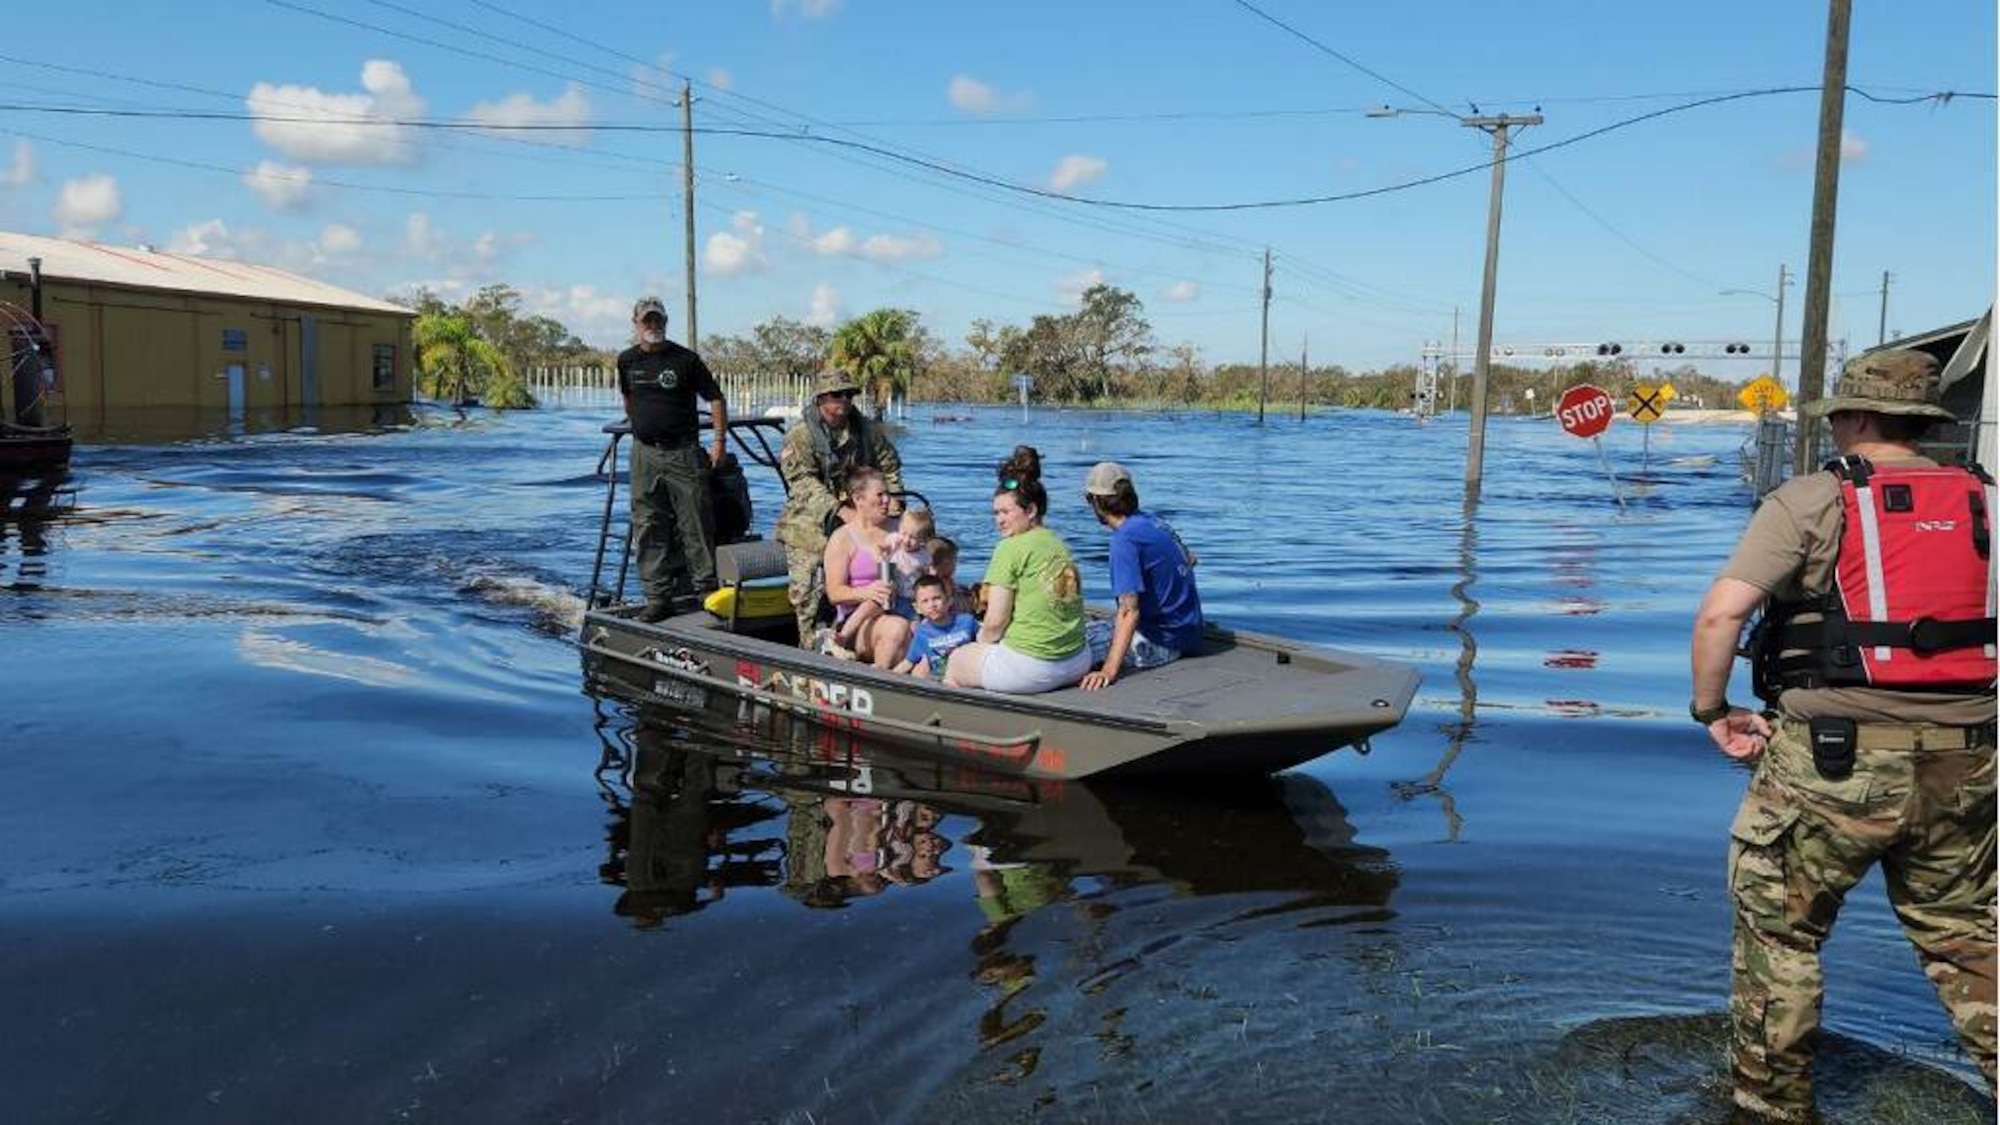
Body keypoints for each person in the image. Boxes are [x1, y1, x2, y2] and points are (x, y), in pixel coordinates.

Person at [1688, 348, 1995, 1123]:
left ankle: (1771, 1106)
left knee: (1780, 937)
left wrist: (1712, 710)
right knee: (1967, 937)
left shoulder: (1813, 499)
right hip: (1969, 762)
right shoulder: (1987, 501)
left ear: (1855, 418)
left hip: (1829, 761)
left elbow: (1722, 614)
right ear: (1922, 420)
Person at [944, 447, 1092, 694]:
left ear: (1031, 510)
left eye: (1005, 512)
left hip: (1034, 668)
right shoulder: (1057, 543)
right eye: (996, 513)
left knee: (957, 661)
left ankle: (962, 720)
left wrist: (977, 644)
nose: (999, 520)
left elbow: (995, 623)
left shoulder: (1009, 548)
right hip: (1077, 660)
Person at [617, 296, 727, 623]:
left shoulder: (686, 360)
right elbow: (628, 399)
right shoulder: (626, 361)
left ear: (665, 322)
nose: (653, 326)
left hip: (684, 452)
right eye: (647, 321)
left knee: (695, 522)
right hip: (644, 453)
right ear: (636, 324)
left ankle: (707, 591)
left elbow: (715, 398)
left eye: (658, 320)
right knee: (648, 524)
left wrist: (719, 441)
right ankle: (657, 597)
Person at [775, 369, 905, 646]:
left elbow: (890, 465)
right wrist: (839, 510)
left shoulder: (866, 430)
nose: (844, 400)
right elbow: (801, 482)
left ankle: (860, 640)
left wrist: (895, 499)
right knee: (810, 594)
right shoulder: (801, 435)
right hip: (810, 521)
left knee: (895, 566)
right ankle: (810, 650)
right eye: (837, 394)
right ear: (821, 398)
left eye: (849, 394)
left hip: (859, 513)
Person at [1076, 461, 1205, 691]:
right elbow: (1190, 559)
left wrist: (1108, 670)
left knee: (1066, 647)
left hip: (1159, 641)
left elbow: (1129, 611)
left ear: (1095, 501)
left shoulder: (1124, 540)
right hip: (1188, 633)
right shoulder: (1155, 522)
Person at [821, 468, 914, 669]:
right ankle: (881, 686)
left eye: (888, 494)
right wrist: (867, 592)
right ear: (858, 499)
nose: (887, 500)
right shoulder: (842, 538)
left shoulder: (901, 529)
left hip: (906, 605)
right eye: (880, 495)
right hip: (859, 621)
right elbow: (835, 593)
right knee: (896, 628)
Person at [895, 575, 981, 678]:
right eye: (925, 601)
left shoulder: (967, 622)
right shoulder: (922, 634)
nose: (932, 605)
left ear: (949, 601)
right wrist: (887, 678)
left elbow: (986, 640)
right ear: (917, 608)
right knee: (919, 673)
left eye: (936, 598)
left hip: (969, 675)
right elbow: (908, 663)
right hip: (940, 681)